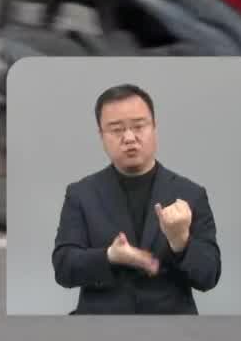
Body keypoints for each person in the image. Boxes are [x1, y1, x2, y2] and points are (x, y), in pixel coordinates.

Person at [51, 83, 221, 314]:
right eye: (117, 129)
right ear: (101, 135)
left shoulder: (190, 194)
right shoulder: (81, 194)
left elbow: (209, 277)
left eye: (139, 126)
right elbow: (63, 268)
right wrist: (109, 256)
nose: (129, 137)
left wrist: (181, 241)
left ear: (154, 128)